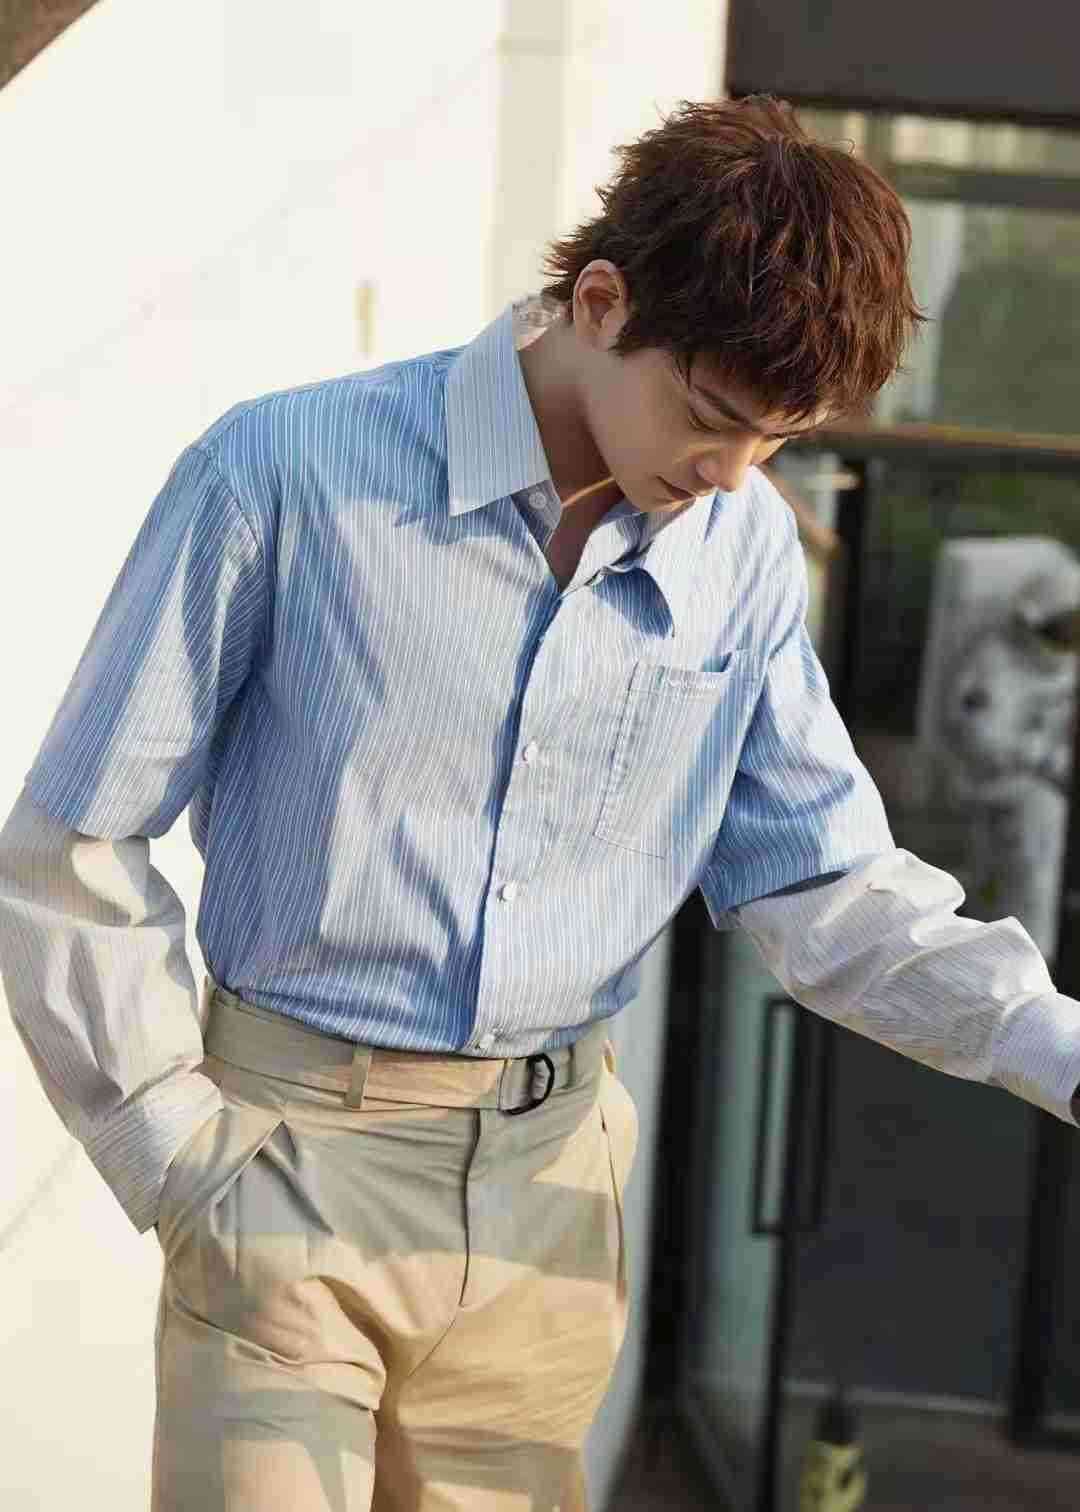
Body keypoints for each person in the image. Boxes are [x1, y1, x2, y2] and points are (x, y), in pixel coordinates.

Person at [1, 94, 1078, 1512]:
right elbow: (72, 842)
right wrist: (178, 1155)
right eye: (712, 419)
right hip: (290, 1161)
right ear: (602, 301)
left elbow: (827, 891)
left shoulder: (742, 551)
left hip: (550, 1207)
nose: (734, 477)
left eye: (780, 441)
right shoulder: (282, 473)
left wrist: (1059, 1046)